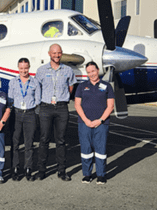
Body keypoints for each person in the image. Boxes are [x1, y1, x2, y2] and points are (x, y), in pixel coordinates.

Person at [35, 43, 77, 181]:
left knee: (61, 140)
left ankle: (61, 171)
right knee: (44, 139)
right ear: (49, 54)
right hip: (46, 107)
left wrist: (62, 99)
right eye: (54, 53)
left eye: (59, 53)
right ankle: (42, 170)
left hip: (61, 108)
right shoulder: (41, 70)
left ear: (61, 53)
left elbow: (71, 87)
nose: (57, 55)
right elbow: (37, 88)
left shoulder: (68, 70)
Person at [74, 61, 114, 185]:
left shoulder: (107, 86)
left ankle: (101, 175)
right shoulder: (81, 86)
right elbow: (77, 105)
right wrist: (86, 120)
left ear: (98, 70)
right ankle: (87, 174)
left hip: (101, 124)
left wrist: (100, 120)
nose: (92, 74)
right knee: (86, 150)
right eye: (89, 72)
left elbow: (110, 106)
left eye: (93, 71)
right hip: (84, 123)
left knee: (101, 150)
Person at [8, 58, 41, 181]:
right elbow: (10, 99)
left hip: (30, 114)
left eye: (26, 68)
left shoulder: (35, 82)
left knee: (29, 143)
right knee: (15, 143)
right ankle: (15, 168)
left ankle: (28, 169)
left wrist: (34, 113)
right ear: (18, 68)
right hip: (16, 114)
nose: (24, 71)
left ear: (29, 67)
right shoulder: (13, 82)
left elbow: (38, 100)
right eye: (21, 68)